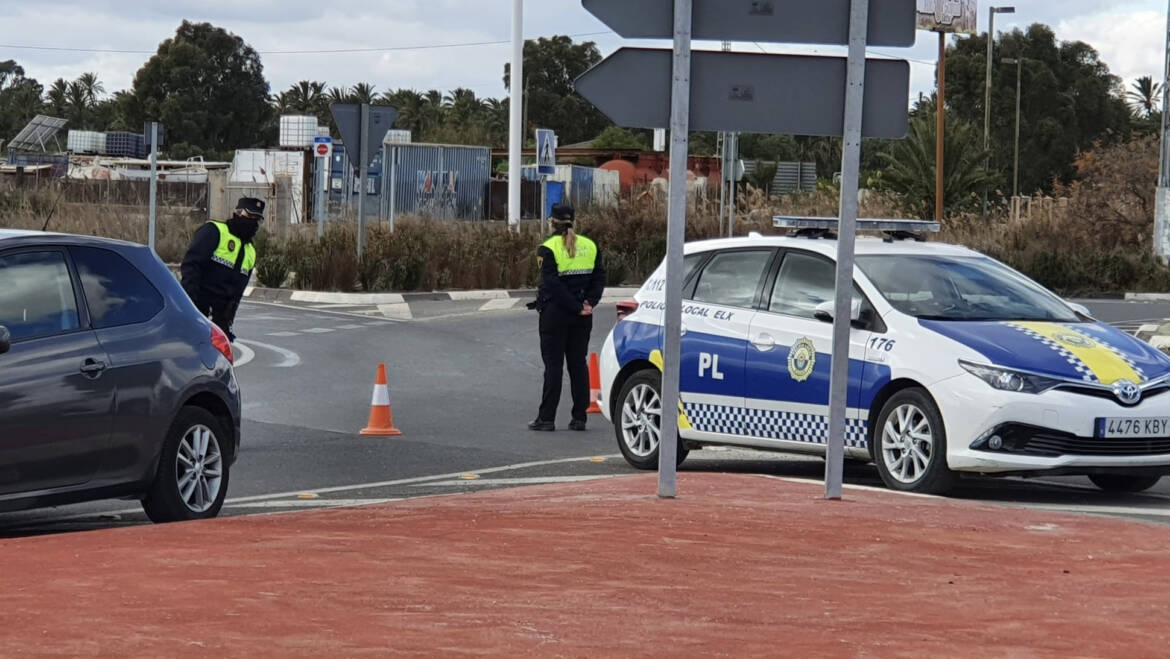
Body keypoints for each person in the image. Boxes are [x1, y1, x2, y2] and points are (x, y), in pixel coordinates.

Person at [528, 203, 606, 432]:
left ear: (552, 222)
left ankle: (546, 418)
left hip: (556, 314)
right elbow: (599, 279)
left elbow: (551, 284)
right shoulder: (590, 246)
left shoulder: (547, 248)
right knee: (577, 364)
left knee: (553, 366)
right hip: (582, 315)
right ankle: (579, 417)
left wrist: (573, 306)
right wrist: (588, 304)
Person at [180, 197, 264, 342]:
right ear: (237, 212)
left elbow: (237, 294)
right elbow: (191, 268)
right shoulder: (214, 231)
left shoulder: (251, 252)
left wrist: (228, 322)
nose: (253, 222)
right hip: (198, 310)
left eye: (257, 219)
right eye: (249, 216)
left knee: (219, 362)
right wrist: (191, 309)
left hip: (221, 321)